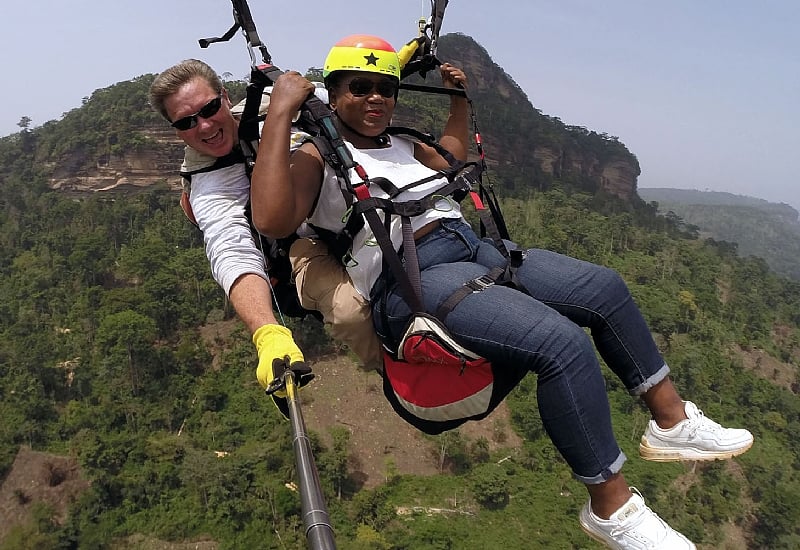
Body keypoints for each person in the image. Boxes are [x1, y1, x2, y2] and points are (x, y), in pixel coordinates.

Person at [249, 35, 754, 549]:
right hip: (407, 279)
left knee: (604, 288)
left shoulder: (400, 140)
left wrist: (460, 99)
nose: (376, 99)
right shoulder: (316, 155)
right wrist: (282, 117)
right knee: (561, 344)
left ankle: (670, 422)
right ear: (334, 94)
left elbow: (449, 160)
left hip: (471, 246)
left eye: (386, 88)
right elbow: (271, 218)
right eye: (361, 88)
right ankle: (611, 506)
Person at [148, 59, 383, 401]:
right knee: (354, 315)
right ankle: (404, 376)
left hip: (358, 209)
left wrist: (390, 71)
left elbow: (340, 98)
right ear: (176, 130)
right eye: (186, 122)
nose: (204, 126)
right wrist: (267, 332)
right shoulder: (209, 185)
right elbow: (231, 251)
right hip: (307, 251)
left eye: (210, 108)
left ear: (225, 97)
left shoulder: (270, 105)